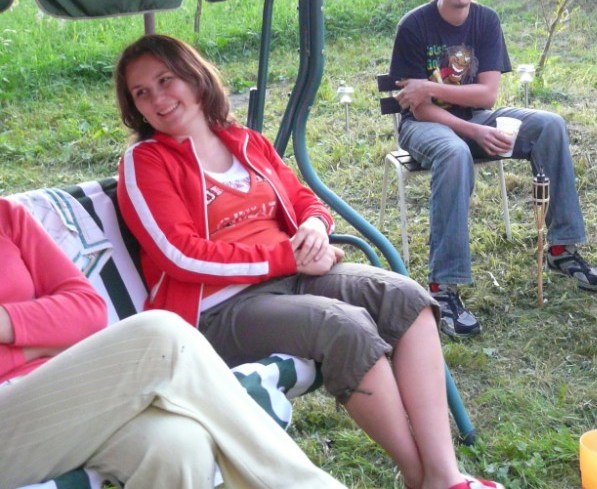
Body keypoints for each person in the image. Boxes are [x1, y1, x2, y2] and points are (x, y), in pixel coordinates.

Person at [114, 34, 502, 489]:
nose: (158, 98)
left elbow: (302, 200)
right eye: (142, 92)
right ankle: (424, 480)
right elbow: (179, 254)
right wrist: (287, 257)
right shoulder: (146, 162)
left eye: (166, 80)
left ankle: (443, 472)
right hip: (217, 310)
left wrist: (315, 228)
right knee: (344, 326)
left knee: (407, 298)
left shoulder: (246, 143)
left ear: (195, 78)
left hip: (292, 276)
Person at [0, 196, 346, 489]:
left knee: (178, 445)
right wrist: (44, 339)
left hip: (64, 393)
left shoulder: (7, 216)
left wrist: (10, 329)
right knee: (158, 336)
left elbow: (88, 311)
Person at [389, 0, 597, 338]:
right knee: (454, 152)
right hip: (424, 126)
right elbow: (419, 108)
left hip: (477, 117)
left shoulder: (486, 20)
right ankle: (443, 289)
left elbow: (487, 95)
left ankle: (562, 250)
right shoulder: (414, 26)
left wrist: (433, 88)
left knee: (549, 125)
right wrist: (471, 129)